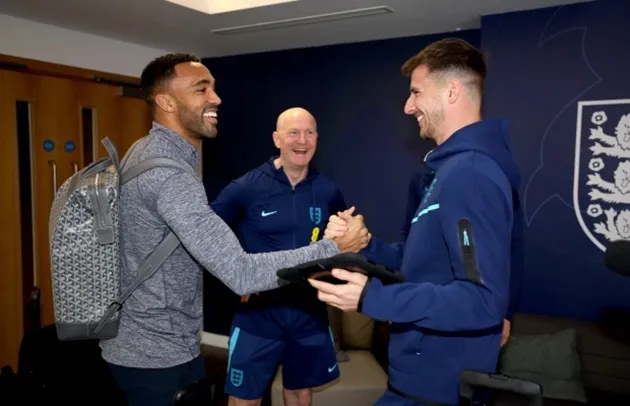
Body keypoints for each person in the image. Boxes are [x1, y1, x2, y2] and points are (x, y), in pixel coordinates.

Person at [99, 53, 369, 406]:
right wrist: (333, 247)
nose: (216, 98)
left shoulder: (144, 152)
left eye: (213, 87)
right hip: (154, 354)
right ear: (165, 101)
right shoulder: (172, 176)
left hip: (155, 344)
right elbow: (241, 272)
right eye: (201, 89)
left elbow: (203, 242)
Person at [309, 38, 523, 405]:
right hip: (416, 382)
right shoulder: (447, 170)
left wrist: (372, 297)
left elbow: (483, 299)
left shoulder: (469, 174)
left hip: (438, 390)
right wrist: (366, 245)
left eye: (416, 92)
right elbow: (420, 261)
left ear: (452, 91)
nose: (408, 106)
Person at [210, 107, 348, 406]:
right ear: (277, 139)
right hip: (258, 316)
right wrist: (237, 277)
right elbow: (206, 234)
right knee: (244, 400)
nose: (302, 140)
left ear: (317, 138)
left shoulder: (327, 191)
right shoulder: (247, 187)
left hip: (308, 315)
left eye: (309, 132)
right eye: (293, 132)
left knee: (299, 394)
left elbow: (344, 238)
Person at [402, 169, 523, 347]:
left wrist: (506, 313)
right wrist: (399, 302)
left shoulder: (491, 174)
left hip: (474, 308)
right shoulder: (423, 177)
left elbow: (512, 246)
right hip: (425, 304)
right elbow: (409, 240)